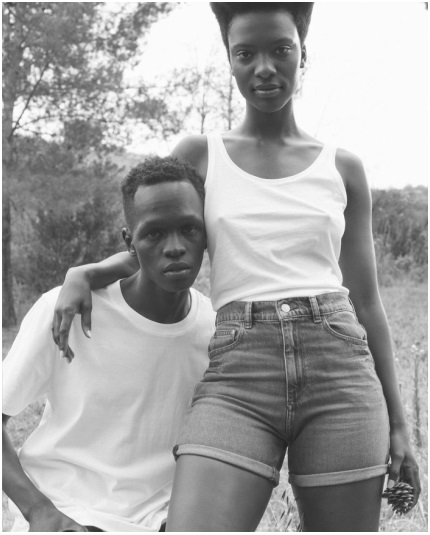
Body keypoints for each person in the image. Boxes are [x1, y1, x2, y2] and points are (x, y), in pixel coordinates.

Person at [51, 3, 421, 532]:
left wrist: (400, 425)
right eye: (246, 54)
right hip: (240, 371)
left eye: (280, 50)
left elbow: (367, 301)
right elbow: (156, 239)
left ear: (303, 55)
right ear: (230, 61)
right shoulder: (202, 154)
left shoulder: (342, 167)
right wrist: (86, 273)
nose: (264, 67)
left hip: (340, 369)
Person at [3, 156, 215, 532]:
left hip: (159, 521)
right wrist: (39, 510)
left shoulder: (215, 330)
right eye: (153, 234)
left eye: (189, 229)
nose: (175, 247)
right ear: (129, 241)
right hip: (68, 511)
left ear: (208, 234)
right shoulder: (65, 310)